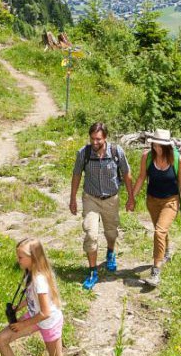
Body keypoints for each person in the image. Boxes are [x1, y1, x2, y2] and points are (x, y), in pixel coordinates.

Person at [69, 122, 136, 289]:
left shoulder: (116, 152)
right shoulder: (83, 153)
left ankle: (111, 252)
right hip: (90, 198)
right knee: (91, 234)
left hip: (111, 199)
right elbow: (77, 175)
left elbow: (127, 174)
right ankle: (92, 271)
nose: (94, 143)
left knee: (111, 232)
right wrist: (72, 199)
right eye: (92, 139)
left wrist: (131, 197)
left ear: (105, 138)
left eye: (98, 139)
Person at [129, 129, 181, 287]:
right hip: (152, 200)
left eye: (161, 145)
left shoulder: (177, 160)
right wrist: (132, 198)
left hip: (171, 201)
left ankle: (156, 272)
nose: (157, 147)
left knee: (159, 231)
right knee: (160, 229)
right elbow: (142, 177)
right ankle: (167, 252)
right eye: (155, 144)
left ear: (167, 145)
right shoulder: (147, 157)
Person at [0, 239, 65, 356]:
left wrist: (23, 324)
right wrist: (18, 307)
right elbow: (32, 297)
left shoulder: (39, 280)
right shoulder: (29, 273)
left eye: (20, 257)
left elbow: (45, 313)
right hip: (34, 316)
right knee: (1, 339)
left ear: (33, 258)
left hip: (49, 323)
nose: (18, 260)